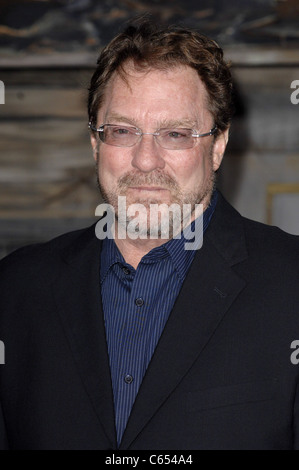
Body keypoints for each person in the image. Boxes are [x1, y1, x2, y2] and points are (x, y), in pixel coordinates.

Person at [0, 18, 299, 451]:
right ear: (95, 143)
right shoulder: (16, 289)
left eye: (175, 134)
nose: (145, 160)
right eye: (122, 131)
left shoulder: (291, 285)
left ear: (217, 146)